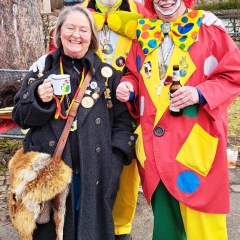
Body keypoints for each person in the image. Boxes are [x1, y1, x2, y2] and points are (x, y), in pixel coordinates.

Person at [30, 2, 224, 239]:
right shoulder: (85, 12)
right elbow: (65, 38)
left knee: (127, 183)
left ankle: (121, 231)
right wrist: (46, 60)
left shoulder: (149, 14)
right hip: (94, 117)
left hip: (154, 127)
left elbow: (227, 68)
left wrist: (202, 17)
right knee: (81, 189)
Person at [116, 0, 240, 239]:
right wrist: (128, 86)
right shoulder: (144, 35)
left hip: (194, 148)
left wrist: (199, 93)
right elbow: (133, 72)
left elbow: (233, 72)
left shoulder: (208, 29)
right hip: (154, 151)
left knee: (205, 230)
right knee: (166, 229)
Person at [12, 5, 137, 240]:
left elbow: (124, 124)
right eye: (70, 28)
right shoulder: (41, 70)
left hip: (96, 171)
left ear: (91, 37)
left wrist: (114, 161)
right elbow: (20, 116)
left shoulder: (107, 74)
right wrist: (38, 98)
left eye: (83, 30)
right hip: (50, 175)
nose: (76, 35)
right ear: (59, 33)